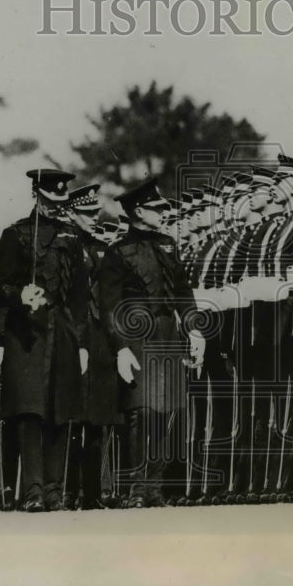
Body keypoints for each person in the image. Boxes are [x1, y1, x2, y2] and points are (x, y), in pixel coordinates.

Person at [98, 178, 206, 507]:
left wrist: (194, 330)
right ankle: (136, 488)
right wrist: (120, 349)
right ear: (139, 211)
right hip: (136, 335)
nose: (164, 212)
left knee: (166, 410)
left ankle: (155, 487)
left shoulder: (168, 244)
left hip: (166, 334)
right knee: (139, 411)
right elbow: (110, 305)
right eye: (158, 208)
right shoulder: (117, 252)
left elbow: (183, 294)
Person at [0, 168, 90, 512]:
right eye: (49, 200)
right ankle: (32, 490)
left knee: (61, 411)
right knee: (30, 412)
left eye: (60, 202)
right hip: (26, 332)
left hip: (62, 330)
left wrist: (82, 343)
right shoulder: (15, 234)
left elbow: (80, 294)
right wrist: (20, 293)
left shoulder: (73, 237)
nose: (55, 208)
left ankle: (54, 490)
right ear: (37, 195)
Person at [63, 183, 123, 510]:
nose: (92, 218)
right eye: (85, 213)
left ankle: (93, 491)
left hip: (100, 337)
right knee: (71, 418)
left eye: (93, 213)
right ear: (71, 213)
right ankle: (67, 490)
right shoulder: (64, 247)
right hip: (72, 334)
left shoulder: (103, 249)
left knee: (98, 417)